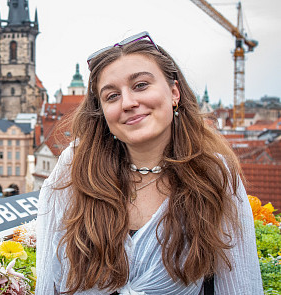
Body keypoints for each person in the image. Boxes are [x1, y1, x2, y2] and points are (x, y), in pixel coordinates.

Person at [36, 32, 263, 294]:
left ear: (174, 92)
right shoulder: (75, 168)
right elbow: (48, 281)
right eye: (111, 96)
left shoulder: (214, 175)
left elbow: (240, 286)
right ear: (102, 113)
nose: (129, 103)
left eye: (141, 85)